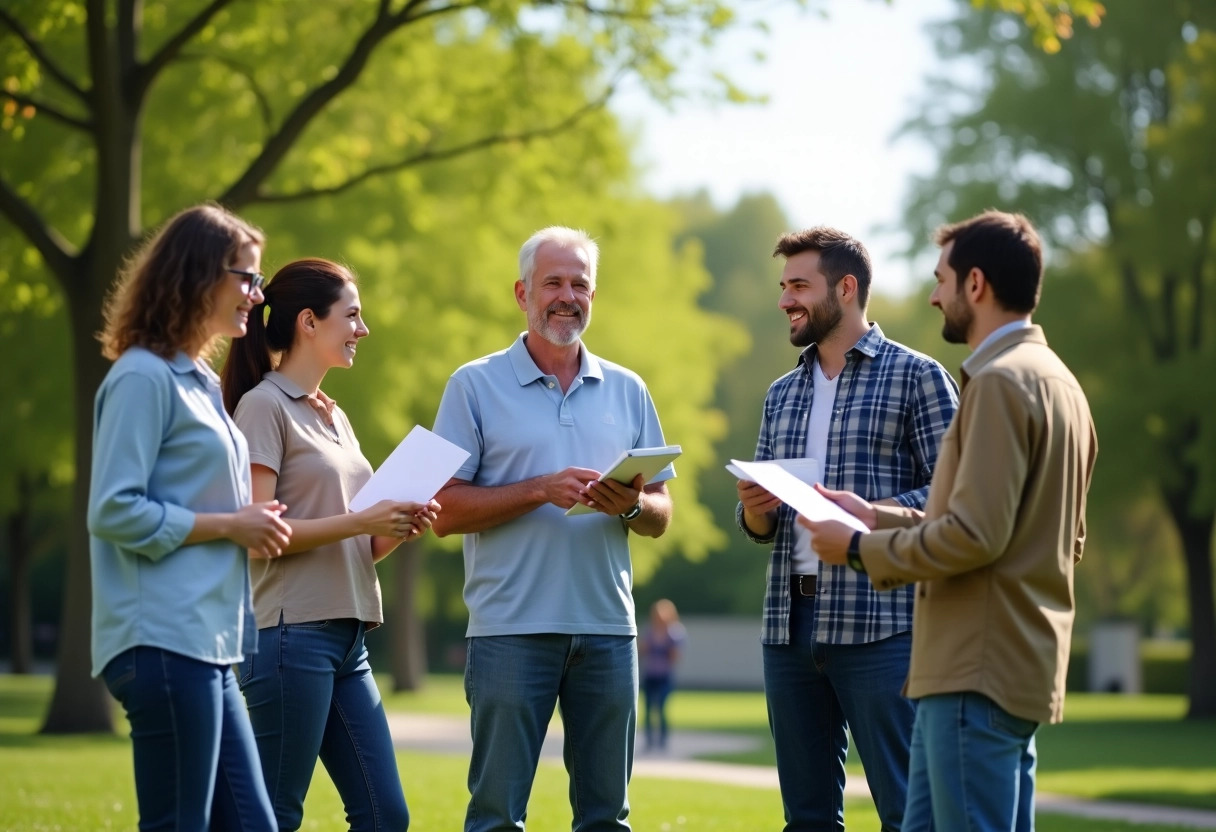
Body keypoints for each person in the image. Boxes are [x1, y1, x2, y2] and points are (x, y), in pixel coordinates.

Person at [802, 211, 1097, 832]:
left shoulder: (998, 383)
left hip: (973, 666)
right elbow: (1035, 531)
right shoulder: (1061, 384)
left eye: (942, 279)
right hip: (1020, 664)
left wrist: (857, 549)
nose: (934, 294)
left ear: (976, 285)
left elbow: (976, 536)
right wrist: (877, 517)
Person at [431, 226, 675, 832]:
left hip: (609, 633)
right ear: (522, 293)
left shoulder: (628, 388)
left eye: (580, 284)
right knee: (495, 816)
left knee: (605, 819)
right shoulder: (473, 385)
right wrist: (539, 489)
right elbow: (441, 509)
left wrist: (627, 505)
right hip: (510, 631)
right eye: (553, 283)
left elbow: (662, 514)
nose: (568, 296)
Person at [735, 226, 959, 831]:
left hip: (883, 626)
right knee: (806, 818)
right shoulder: (781, 394)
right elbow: (758, 526)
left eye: (799, 286)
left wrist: (868, 509)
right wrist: (756, 507)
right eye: (783, 287)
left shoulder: (918, 376)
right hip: (789, 627)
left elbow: (957, 495)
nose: (784, 300)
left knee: (910, 811)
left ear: (847, 287)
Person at [88, 203, 289, 832]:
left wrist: (248, 520)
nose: (257, 297)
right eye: (247, 278)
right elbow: (114, 509)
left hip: (207, 646)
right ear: (200, 274)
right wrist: (231, 525)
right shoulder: (142, 378)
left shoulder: (198, 380)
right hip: (163, 641)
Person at [221, 258, 439, 832]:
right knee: (270, 816)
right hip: (290, 635)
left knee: (384, 814)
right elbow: (258, 539)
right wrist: (358, 519)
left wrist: (396, 526)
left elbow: (359, 543)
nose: (362, 330)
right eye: (353, 316)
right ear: (309, 323)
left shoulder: (334, 416)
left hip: (349, 638)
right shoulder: (263, 407)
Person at [639, 599, 687, 752]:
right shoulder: (650, 631)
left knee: (661, 707)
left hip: (664, 675)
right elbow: (642, 650)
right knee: (647, 709)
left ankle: (663, 739)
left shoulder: (675, 632)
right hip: (650, 674)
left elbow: (675, 656)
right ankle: (648, 739)